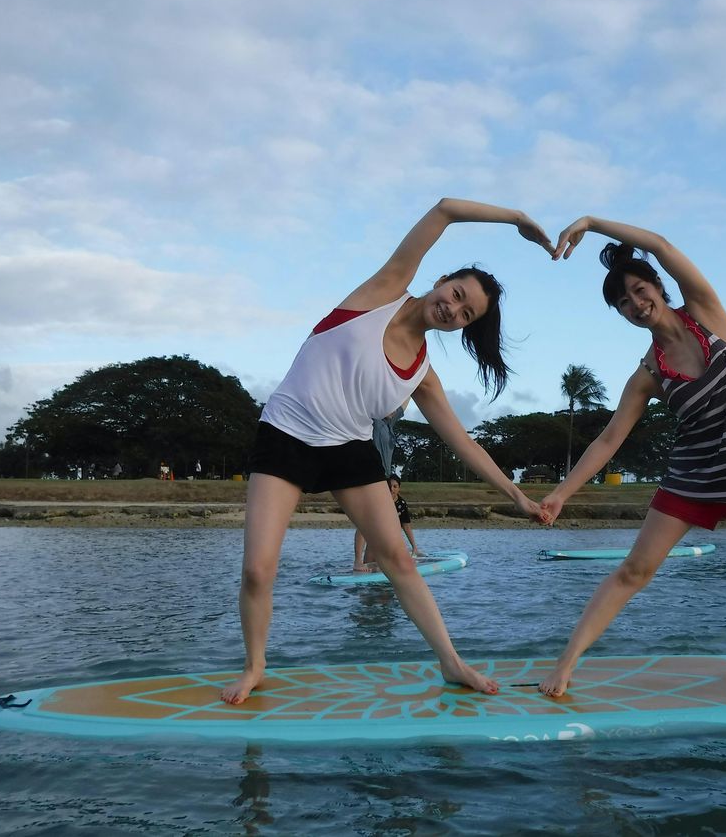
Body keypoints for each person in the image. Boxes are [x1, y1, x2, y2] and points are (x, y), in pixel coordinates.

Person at [221, 198, 555, 705]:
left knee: (398, 557)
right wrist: (517, 220)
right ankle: (255, 666)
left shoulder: (422, 373)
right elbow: (443, 211)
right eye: (456, 294)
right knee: (257, 569)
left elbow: (462, 440)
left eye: (466, 315)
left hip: (349, 448)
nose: (452, 309)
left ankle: (451, 662)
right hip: (286, 433)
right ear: (442, 280)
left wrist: (516, 496)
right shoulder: (382, 292)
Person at [536, 216, 726, 698]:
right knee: (634, 572)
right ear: (620, 315)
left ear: (659, 287)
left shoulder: (708, 314)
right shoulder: (648, 373)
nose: (636, 305)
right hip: (691, 479)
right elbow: (608, 441)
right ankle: (566, 663)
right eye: (624, 303)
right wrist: (561, 494)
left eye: (641, 291)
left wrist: (593, 222)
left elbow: (660, 244)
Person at [353, 403, 414, 570]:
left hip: (383, 478)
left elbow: (403, 405)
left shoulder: (389, 423)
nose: (394, 409)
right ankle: (358, 561)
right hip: (369, 475)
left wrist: (416, 379)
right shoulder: (374, 420)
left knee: (378, 524)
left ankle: (370, 563)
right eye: (390, 403)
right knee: (366, 521)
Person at [357, 475, 420, 569]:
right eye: (389, 486)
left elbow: (406, 526)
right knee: (368, 565)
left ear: (399, 488)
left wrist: (414, 547)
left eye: (395, 486)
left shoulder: (401, 504)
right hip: (375, 540)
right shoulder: (377, 501)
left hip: (392, 542)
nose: (392, 489)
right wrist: (358, 560)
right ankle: (359, 563)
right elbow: (362, 529)